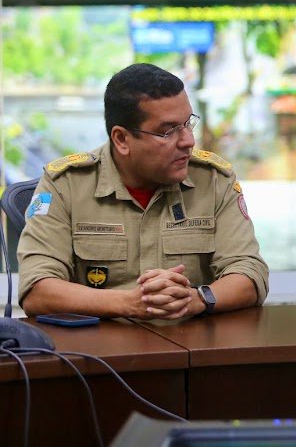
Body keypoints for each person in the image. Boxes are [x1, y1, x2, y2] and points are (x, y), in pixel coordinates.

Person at [17, 63, 269, 319]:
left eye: (188, 124)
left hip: (192, 345)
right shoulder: (66, 185)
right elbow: (38, 290)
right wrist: (129, 303)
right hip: (98, 351)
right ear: (122, 139)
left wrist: (198, 298)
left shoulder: (213, 180)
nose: (188, 141)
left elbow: (249, 273)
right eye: (168, 131)